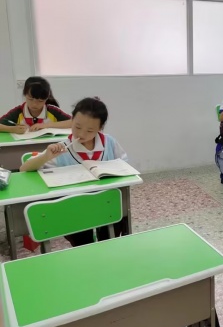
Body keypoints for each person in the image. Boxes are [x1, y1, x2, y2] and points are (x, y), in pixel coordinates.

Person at [20, 97, 129, 246]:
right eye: (77, 127)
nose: (81, 134)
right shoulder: (62, 148)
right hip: (76, 209)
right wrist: (46, 156)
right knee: (82, 240)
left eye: (90, 130)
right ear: (72, 120)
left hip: (106, 203)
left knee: (111, 232)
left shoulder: (109, 143)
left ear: (100, 128)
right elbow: (24, 169)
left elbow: (124, 165)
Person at [0, 76, 71, 133]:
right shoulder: (18, 112)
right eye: (30, 99)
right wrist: (12, 129)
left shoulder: (52, 111)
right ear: (25, 94)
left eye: (40, 101)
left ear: (46, 98)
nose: (34, 104)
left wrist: (45, 125)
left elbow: (73, 122)